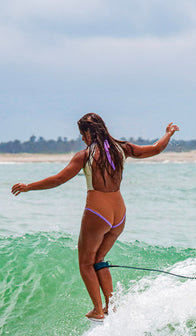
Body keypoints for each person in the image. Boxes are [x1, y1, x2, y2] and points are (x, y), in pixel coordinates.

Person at [12, 113, 179, 321]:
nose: (82, 138)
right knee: (99, 259)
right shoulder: (123, 148)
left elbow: (59, 179)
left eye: (83, 134)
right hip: (119, 214)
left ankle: (98, 310)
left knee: (85, 263)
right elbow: (155, 149)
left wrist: (29, 187)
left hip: (97, 212)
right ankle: (112, 306)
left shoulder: (85, 155)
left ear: (89, 131)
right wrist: (168, 133)